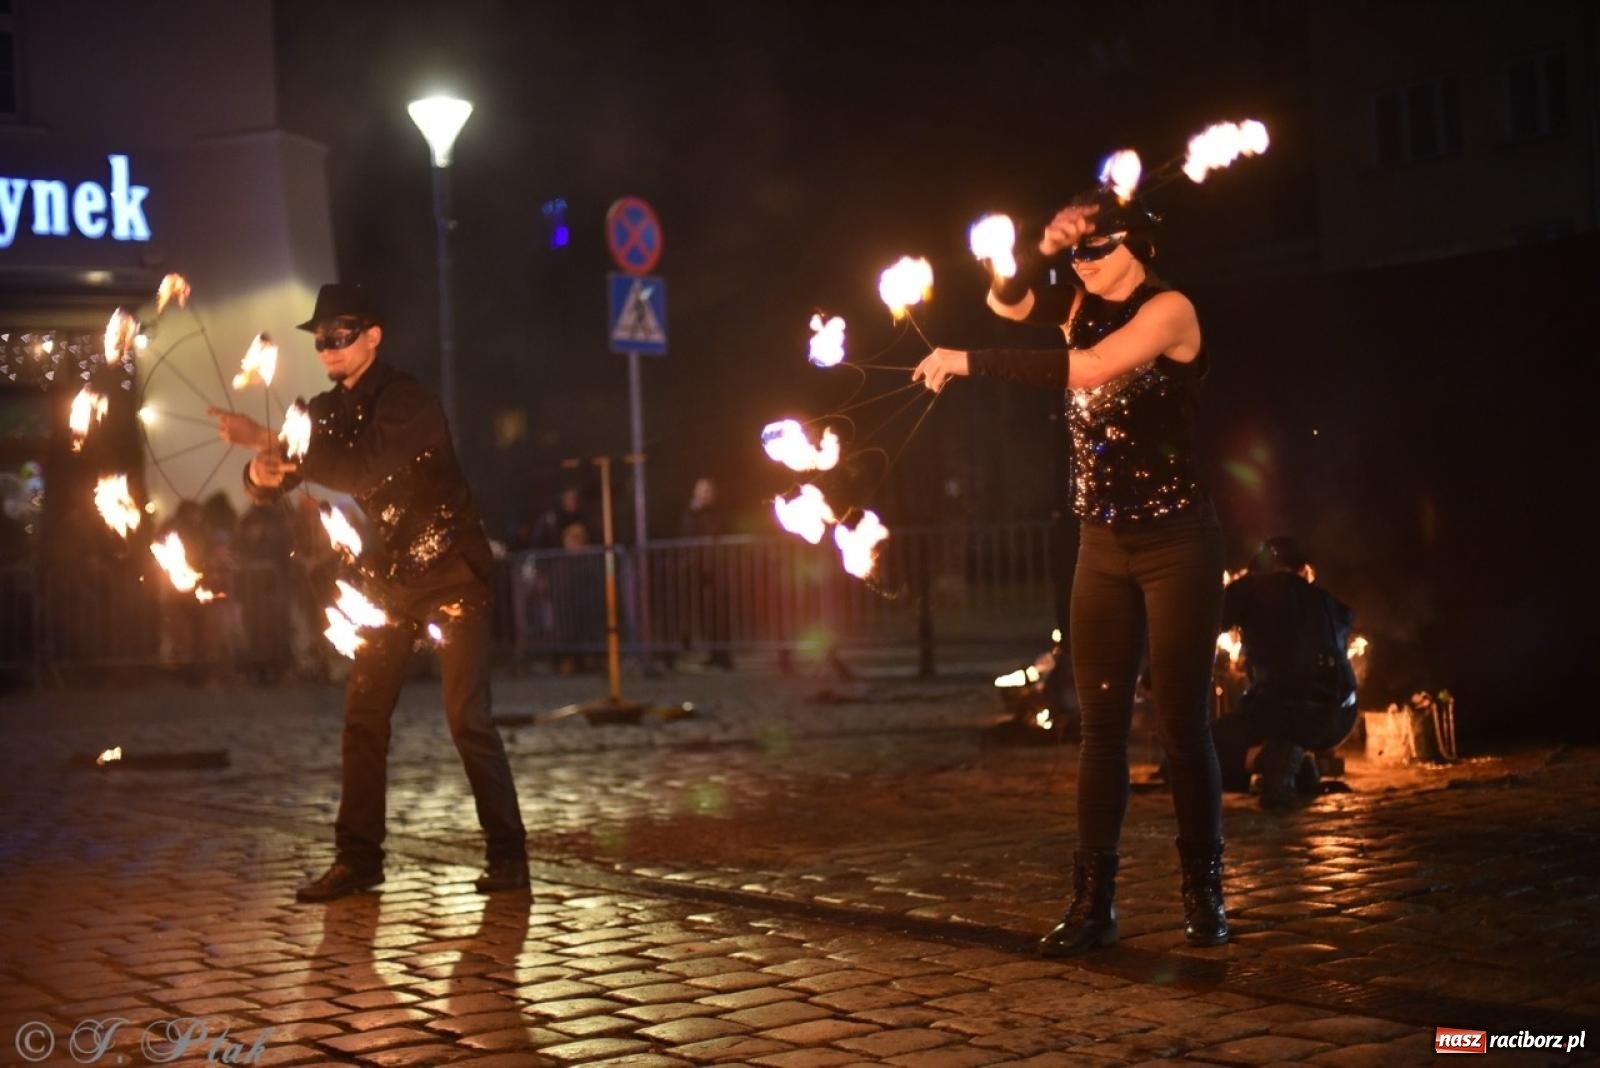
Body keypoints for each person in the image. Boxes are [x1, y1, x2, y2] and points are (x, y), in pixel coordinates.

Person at [914, 186, 1228, 955]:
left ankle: (1204, 893)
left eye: (1095, 249)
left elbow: (1086, 372)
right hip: (1102, 545)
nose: (1081, 264)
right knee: (1100, 731)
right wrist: (1010, 257)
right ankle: (1093, 903)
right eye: (1077, 252)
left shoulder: (1169, 311)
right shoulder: (1078, 299)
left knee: (1184, 726)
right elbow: (1013, 304)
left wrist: (966, 361)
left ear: (1136, 246)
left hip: (1176, 542)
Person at [211, 283, 527, 901]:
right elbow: (273, 484)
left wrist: (267, 443)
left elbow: (360, 468)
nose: (329, 347)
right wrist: (261, 470)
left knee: (467, 719)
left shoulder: (409, 400)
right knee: (362, 716)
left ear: (373, 336)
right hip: (393, 582)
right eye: (321, 339)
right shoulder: (322, 411)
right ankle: (359, 860)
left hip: (453, 573)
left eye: (342, 335)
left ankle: (508, 855)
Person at [1216, 536, 1358, 809]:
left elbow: (1206, 628)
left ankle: (1272, 759)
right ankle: (1298, 766)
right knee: (1276, 717)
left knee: (1203, 744)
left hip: (1287, 710)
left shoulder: (1250, 589)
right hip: (1341, 716)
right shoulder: (1331, 603)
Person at [679, 476, 733, 670]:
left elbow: (718, 532)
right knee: (705, 615)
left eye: (708, 491)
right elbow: (687, 532)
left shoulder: (717, 513)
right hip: (699, 571)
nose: (705, 495)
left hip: (717, 569)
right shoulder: (691, 514)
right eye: (701, 491)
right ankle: (712, 653)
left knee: (720, 614)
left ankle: (724, 655)